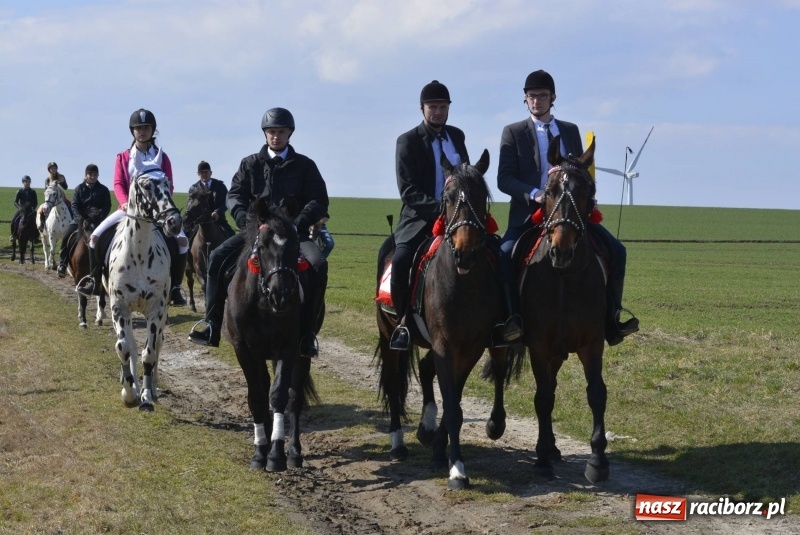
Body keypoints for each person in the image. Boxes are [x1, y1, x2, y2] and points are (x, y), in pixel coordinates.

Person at [496, 69, 639, 345]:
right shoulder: (513, 132)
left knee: (617, 251)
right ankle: (511, 319)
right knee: (503, 254)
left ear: (553, 97)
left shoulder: (570, 130)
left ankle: (612, 317)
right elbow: (504, 179)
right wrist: (535, 194)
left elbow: (582, 172)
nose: (536, 101)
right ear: (525, 100)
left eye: (542, 96)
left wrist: (589, 197)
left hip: (570, 213)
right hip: (531, 212)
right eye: (531, 96)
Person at [388, 80, 523, 351]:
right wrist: (441, 209)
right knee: (401, 259)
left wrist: (461, 210)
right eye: (433, 107)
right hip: (421, 219)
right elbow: (408, 189)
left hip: (460, 217)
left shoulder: (457, 136)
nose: (438, 111)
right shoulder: (408, 141)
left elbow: (465, 178)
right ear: (422, 108)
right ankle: (403, 323)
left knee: (497, 255)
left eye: (443, 106)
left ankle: (504, 320)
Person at [188, 107, 329, 356]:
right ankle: (211, 323)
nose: (276, 136)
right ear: (265, 134)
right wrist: (244, 219)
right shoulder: (250, 164)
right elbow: (234, 195)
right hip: (255, 233)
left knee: (318, 265)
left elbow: (318, 199)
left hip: (293, 235)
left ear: (290, 133)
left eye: (281, 132)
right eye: (272, 132)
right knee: (218, 257)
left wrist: (299, 221)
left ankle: (308, 334)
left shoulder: (305, 166)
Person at [77, 108, 189, 305]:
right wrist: (124, 202)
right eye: (138, 128)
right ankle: (94, 281)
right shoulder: (122, 157)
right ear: (133, 131)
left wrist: (159, 207)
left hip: (156, 213)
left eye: (146, 127)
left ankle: (175, 288)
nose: (142, 131)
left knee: (183, 243)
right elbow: (119, 183)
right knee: (94, 238)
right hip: (129, 210)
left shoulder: (163, 157)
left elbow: (168, 184)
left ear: (152, 130)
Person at [56, 164, 112, 277]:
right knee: (67, 236)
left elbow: (107, 206)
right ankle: (62, 263)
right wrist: (80, 219)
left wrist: (100, 217)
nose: (93, 177)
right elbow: (75, 205)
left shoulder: (104, 190)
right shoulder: (79, 189)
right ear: (86, 175)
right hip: (80, 220)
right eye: (90, 174)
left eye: (95, 175)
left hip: (97, 220)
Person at [187, 161, 234, 238]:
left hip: (218, 220)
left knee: (232, 235)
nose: (204, 175)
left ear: (210, 173)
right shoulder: (193, 189)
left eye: (206, 172)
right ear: (198, 174)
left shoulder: (220, 186)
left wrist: (217, 211)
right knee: (185, 237)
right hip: (198, 221)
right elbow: (189, 204)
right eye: (201, 173)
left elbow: (226, 202)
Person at [39, 162, 70, 231]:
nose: (53, 169)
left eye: (54, 168)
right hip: (51, 200)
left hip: (62, 198)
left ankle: (73, 223)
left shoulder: (61, 177)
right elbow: (46, 190)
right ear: (49, 170)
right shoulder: (47, 180)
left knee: (71, 206)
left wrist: (62, 182)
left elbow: (66, 187)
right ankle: (42, 225)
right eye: (51, 168)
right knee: (42, 210)